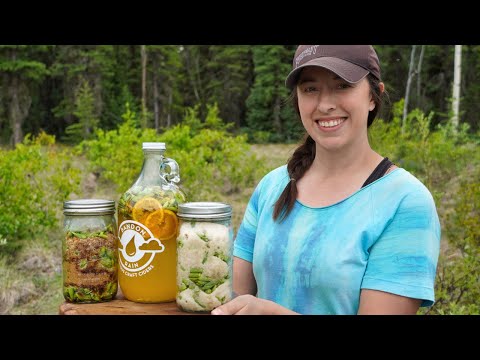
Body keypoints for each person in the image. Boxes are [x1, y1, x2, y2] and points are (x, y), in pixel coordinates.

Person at [211, 45, 441, 315]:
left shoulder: (405, 201)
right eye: (310, 89)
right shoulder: (272, 186)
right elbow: (228, 296)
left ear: (373, 96)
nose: (325, 104)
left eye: (342, 86)